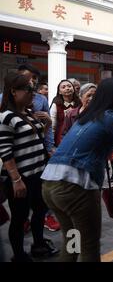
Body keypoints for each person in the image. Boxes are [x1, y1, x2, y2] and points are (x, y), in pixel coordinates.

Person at [41, 78, 113, 262]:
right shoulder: (112, 117)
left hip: (51, 185)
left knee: (73, 243)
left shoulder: (89, 115)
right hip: (75, 187)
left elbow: (103, 136)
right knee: (89, 248)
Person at [0, 72, 59, 262]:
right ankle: (18, 256)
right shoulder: (6, 117)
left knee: (40, 211)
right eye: (28, 89)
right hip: (20, 178)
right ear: (13, 91)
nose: (33, 93)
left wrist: (48, 124)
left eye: (34, 88)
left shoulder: (27, 112)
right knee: (19, 217)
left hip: (37, 174)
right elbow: (5, 151)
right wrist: (16, 180)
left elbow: (36, 140)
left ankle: (39, 245)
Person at [50, 80, 81, 147]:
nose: (67, 88)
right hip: (61, 138)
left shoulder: (80, 103)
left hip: (78, 136)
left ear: (73, 89)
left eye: (69, 86)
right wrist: (51, 144)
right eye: (63, 87)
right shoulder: (56, 105)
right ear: (59, 92)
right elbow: (52, 126)